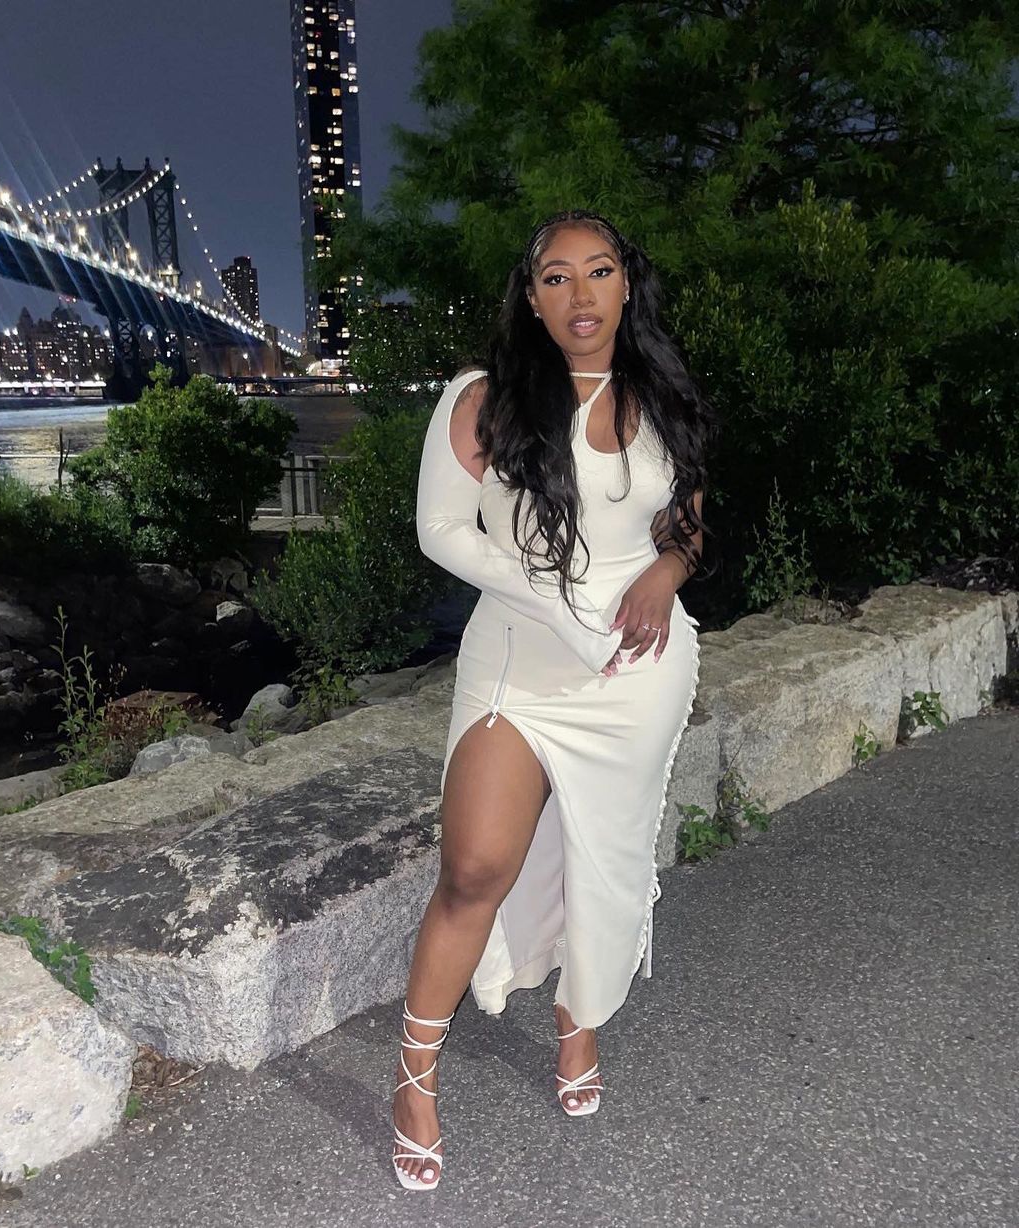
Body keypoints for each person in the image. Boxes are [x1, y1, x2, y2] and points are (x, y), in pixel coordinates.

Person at [391, 210, 720, 1189]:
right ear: (530, 298)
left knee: (602, 857)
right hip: (521, 658)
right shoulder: (484, 398)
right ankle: (413, 1076)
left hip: (636, 667)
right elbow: (442, 531)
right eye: (556, 277)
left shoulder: (661, 394)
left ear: (627, 284)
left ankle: (580, 1022)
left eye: (599, 271)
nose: (580, 294)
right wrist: (560, 607)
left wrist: (665, 571)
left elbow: (689, 521)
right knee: (474, 866)